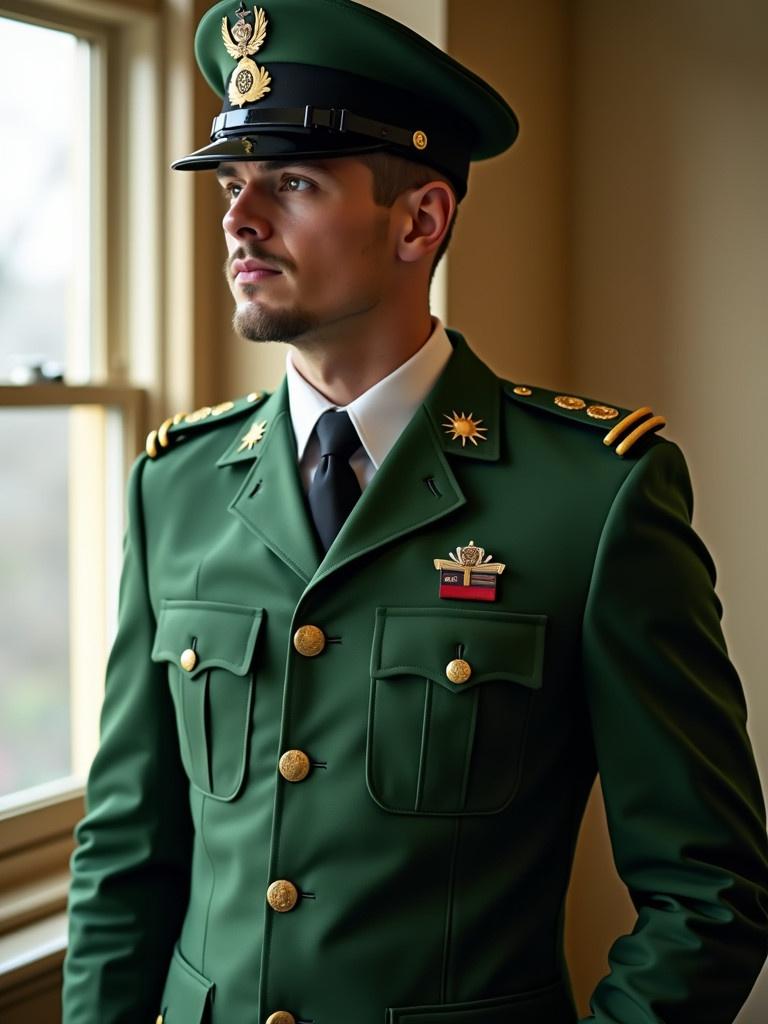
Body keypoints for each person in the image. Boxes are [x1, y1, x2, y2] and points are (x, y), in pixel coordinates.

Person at [62, 2, 768, 1022]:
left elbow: (710, 886)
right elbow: (126, 850)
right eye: (230, 184)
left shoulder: (596, 493)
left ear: (421, 220)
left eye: (291, 183)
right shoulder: (174, 484)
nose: (238, 220)